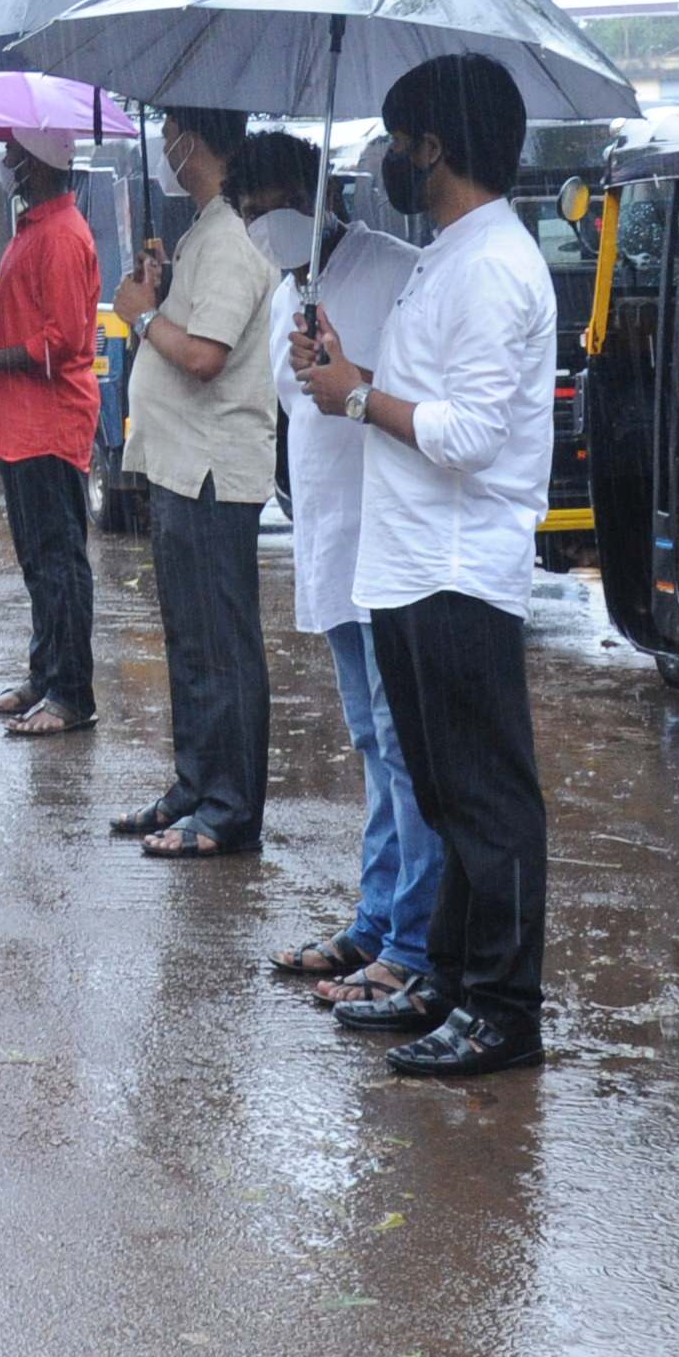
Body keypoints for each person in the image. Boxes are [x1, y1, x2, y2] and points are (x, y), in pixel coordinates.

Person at [288, 53, 557, 1082]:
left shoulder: (492, 265)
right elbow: (407, 394)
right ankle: (442, 979)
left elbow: (468, 434)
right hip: (403, 564)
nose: (385, 164)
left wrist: (358, 396)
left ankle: (502, 1007)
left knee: (486, 803)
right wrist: (342, 369)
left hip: (456, 564)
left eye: (396, 145)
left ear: (431, 148)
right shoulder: (447, 254)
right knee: (443, 797)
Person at [228, 134, 440, 1022]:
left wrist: (352, 377)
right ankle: (375, 918)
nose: (254, 224)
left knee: (402, 745)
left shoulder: (397, 270)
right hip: (329, 544)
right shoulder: (288, 289)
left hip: (388, 546)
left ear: (312, 195)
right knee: (369, 739)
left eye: (263, 204)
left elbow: (414, 399)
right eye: (243, 213)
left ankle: (412, 943)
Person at [113, 107, 281, 853]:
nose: (166, 150)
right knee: (189, 637)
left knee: (221, 643)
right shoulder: (204, 231)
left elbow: (206, 355)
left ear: (192, 138)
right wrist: (163, 289)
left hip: (215, 466)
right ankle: (195, 781)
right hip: (182, 463)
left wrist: (145, 319)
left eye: (172, 133)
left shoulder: (233, 239)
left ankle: (228, 806)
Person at [0, 130, 100, 727]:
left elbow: (64, 341)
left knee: (58, 561)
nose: (8, 163)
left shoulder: (64, 237)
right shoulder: (33, 229)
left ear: (41, 163)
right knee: (35, 559)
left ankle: (71, 695)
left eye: (15, 153)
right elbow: (21, 312)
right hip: (20, 422)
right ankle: (45, 674)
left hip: (50, 422)